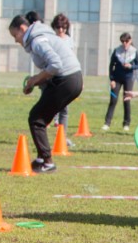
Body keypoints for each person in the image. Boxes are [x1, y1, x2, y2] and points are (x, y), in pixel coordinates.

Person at [9, 11, 83, 173]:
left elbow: (56, 64)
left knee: (36, 118)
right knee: (41, 117)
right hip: (73, 79)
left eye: (15, 35)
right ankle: (42, 158)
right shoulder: (41, 35)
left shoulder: (37, 40)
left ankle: (47, 163)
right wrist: (35, 81)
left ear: (22, 28)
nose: (15, 40)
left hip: (67, 80)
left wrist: (36, 79)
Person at [102, 32, 138, 132]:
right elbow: (111, 65)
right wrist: (112, 79)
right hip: (116, 79)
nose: (124, 43)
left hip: (128, 79)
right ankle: (107, 123)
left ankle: (126, 124)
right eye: (122, 41)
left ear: (130, 41)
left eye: (126, 41)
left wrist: (131, 66)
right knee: (113, 100)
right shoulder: (117, 51)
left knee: (126, 100)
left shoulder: (134, 51)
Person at [50, 13, 77, 143]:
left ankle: (62, 138)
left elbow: (73, 57)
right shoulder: (51, 40)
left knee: (65, 109)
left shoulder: (69, 40)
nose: (61, 30)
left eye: (63, 28)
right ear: (54, 27)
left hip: (67, 75)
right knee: (50, 105)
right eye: (58, 27)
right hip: (54, 75)